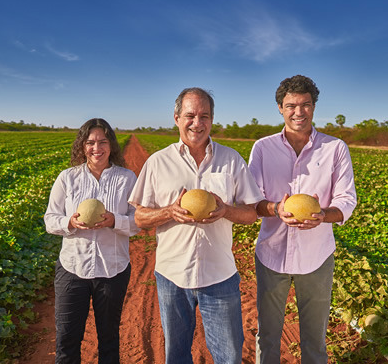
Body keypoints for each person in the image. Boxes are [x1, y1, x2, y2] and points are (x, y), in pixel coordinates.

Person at [128, 87, 264, 364]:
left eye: (204, 116)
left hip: (220, 275)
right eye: (190, 115)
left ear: (212, 119)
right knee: (177, 355)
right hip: (173, 276)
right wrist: (169, 211)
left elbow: (251, 214)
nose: (197, 123)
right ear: (177, 118)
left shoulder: (231, 160)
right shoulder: (158, 162)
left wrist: (226, 210)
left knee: (229, 357)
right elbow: (140, 218)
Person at [248, 75, 357, 364]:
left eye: (305, 105)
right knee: (267, 334)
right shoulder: (262, 148)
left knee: (315, 338)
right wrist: (275, 209)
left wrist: (323, 217)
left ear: (314, 106)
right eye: (291, 106)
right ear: (280, 108)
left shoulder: (335, 148)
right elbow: (251, 201)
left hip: (316, 256)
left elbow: (346, 199)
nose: (299, 112)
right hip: (271, 253)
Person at [44, 118, 139, 364]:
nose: (97, 148)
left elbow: (138, 221)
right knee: (67, 340)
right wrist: (70, 222)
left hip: (113, 270)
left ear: (111, 145)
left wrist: (115, 221)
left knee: (109, 339)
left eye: (102, 142)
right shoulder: (67, 178)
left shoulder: (127, 178)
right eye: (90, 142)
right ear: (82, 146)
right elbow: (50, 219)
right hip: (72, 268)